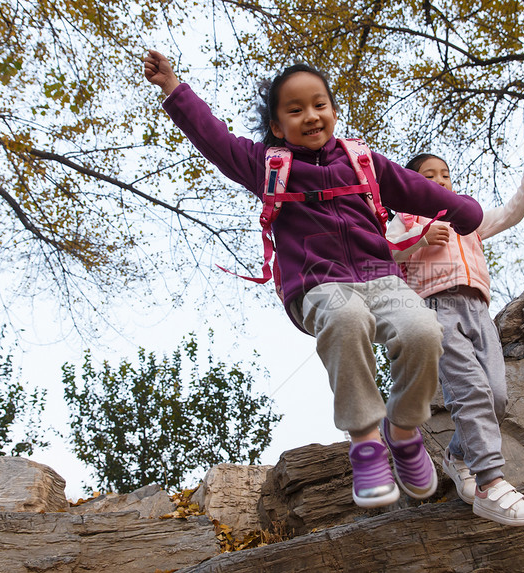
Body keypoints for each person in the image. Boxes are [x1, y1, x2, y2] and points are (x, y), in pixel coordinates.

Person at [142, 50, 484, 509]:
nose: (310, 115)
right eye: (295, 109)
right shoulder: (268, 164)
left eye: (319, 104)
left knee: (424, 330)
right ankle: (366, 441)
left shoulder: (363, 161)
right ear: (278, 126)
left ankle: (402, 431)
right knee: (346, 321)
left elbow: (415, 187)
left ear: (334, 112)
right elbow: (215, 139)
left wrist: (464, 211)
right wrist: (174, 88)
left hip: (379, 275)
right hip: (318, 283)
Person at [386, 145, 524, 526]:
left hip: (479, 310)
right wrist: (422, 238)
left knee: (497, 395)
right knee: (470, 391)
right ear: (411, 185)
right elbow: (384, 251)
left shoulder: (467, 219)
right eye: (429, 176)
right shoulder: (406, 218)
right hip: (435, 310)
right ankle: (491, 483)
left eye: (444, 174)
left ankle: (458, 455)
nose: (440, 180)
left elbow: (512, 212)